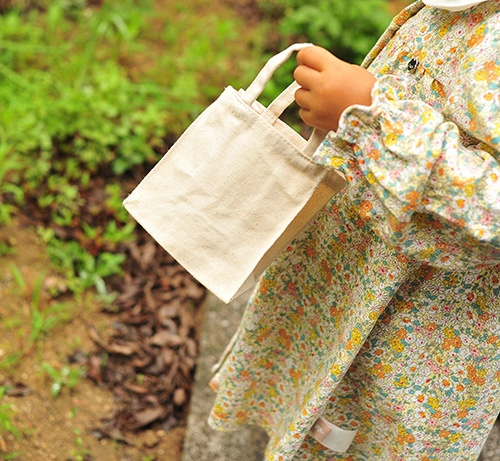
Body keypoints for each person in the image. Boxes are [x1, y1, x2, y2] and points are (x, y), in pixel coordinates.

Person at [208, 0, 500, 459]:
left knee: (361, 428)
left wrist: (368, 115)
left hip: (420, 328)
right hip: (344, 269)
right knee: (308, 382)